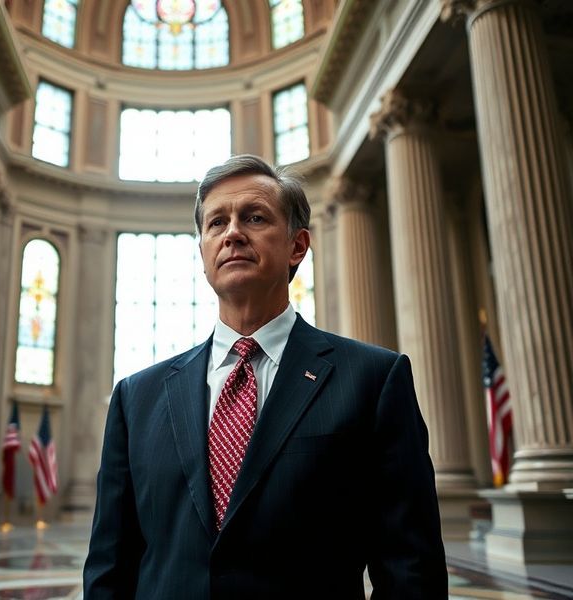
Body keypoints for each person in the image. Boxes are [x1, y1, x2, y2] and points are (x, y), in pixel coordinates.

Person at [83, 154, 447, 599]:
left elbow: (411, 568)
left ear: (298, 246)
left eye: (254, 217)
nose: (233, 232)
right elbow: (110, 566)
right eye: (216, 223)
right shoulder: (135, 398)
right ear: (202, 254)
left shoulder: (373, 379)